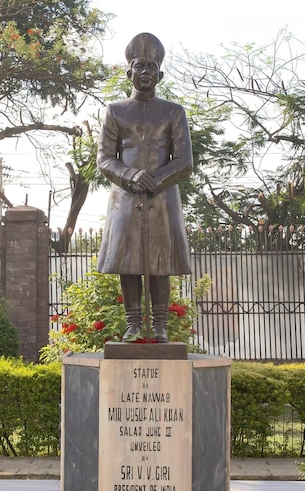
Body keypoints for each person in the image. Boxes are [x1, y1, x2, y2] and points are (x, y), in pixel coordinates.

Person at [97, 32, 193, 342]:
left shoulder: (173, 111)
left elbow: (184, 161)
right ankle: (133, 324)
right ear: (130, 73)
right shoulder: (115, 111)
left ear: (160, 74)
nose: (146, 72)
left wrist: (155, 181)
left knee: (160, 261)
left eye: (152, 67)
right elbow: (104, 159)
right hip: (125, 198)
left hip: (163, 198)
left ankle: (161, 326)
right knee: (129, 260)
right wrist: (131, 176)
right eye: (140, 66)